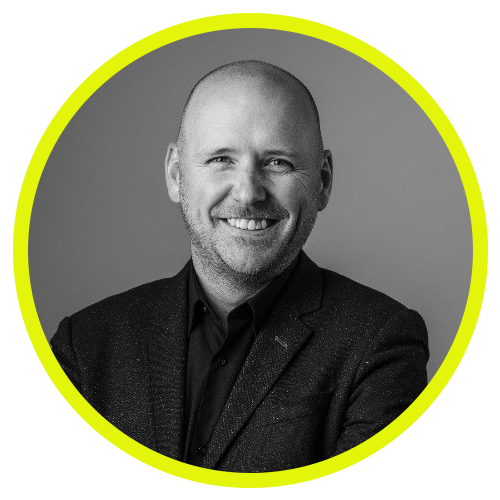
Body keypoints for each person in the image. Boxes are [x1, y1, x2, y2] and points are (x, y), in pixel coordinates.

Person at [51, 60, 429, 472]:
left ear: (322, 182)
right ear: (176, 175)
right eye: (220, 159)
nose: (249, 193)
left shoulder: (380, 344)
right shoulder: (85, 344)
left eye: (278, 162)